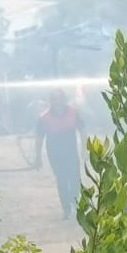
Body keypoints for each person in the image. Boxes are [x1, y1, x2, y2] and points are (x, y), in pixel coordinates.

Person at [35, 89, 85, 219]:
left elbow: (82, 130)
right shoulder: (44, 118)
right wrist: (38, 157)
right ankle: (66, 209)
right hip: (55, 153)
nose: (58, 102)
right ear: (51, 101)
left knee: (74, 179)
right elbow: (39, 139)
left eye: (60, 99)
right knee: (62, 180)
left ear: (64, 100)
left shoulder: (73, 113)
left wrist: (84, 149)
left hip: (71, 151)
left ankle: (74, 201)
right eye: (55, 99)